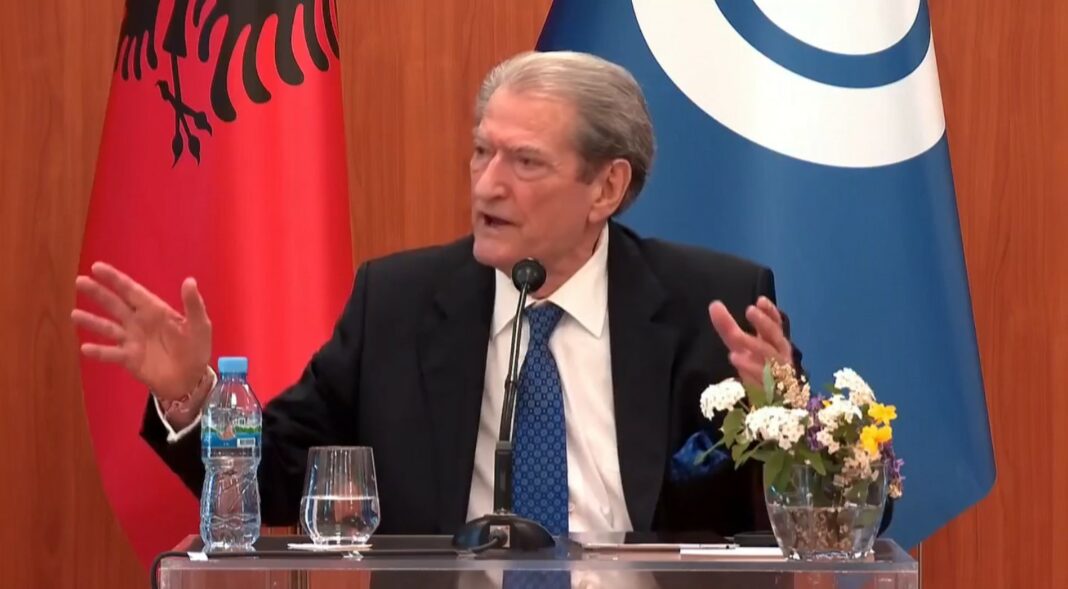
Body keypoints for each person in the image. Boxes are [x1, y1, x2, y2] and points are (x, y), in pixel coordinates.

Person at [72, 51, 802, 538]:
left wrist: (785, 416)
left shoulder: (715, 306)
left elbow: (812, 517)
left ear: (606, 187)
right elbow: (284, 477)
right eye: (482, 151)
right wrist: (193, 396)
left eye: (525, 162)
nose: (488, 185)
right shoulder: (398, 303)